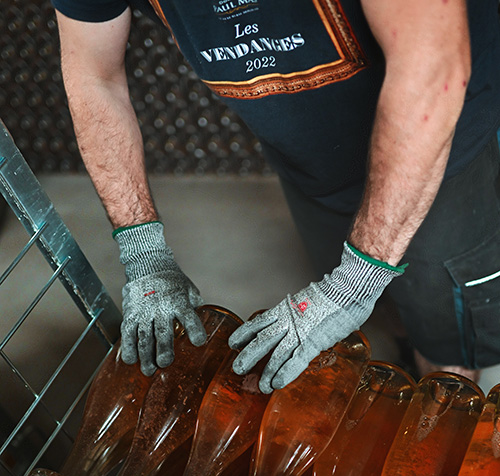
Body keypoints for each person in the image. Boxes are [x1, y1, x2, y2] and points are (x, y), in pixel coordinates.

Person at [51, 0, 500, 393]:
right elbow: (95, 76)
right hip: (311, 161)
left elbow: (431, 70)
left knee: (444, 340)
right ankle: (403, 352)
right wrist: (142, 250)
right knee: (380, 306)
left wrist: (356, 278)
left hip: (441, 151)